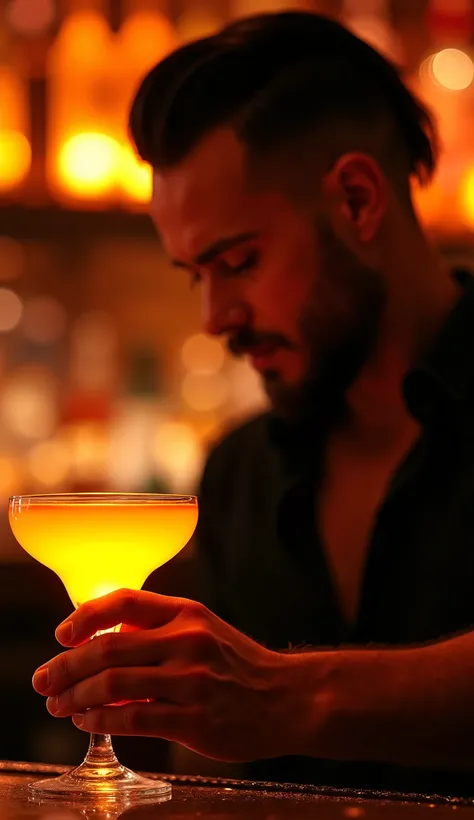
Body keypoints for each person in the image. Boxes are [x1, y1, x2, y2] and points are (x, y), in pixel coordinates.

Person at [32, 11, 474, 794]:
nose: (214, 317)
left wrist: (291, 695)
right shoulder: (239, 474)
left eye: (237, 260)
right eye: (194, 275)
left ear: (359, 200)